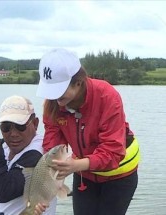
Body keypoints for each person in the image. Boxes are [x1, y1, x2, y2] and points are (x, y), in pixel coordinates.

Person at [36, 48, 140, 215]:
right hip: (84, 174)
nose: (54, 98)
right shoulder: (54, 103)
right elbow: (52, 145)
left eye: (59, 91)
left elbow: (112, 151)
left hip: (120, 174)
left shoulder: (107, 96)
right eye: (51, 91)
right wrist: (44, 191)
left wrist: (75, 165)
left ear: (78, 82)